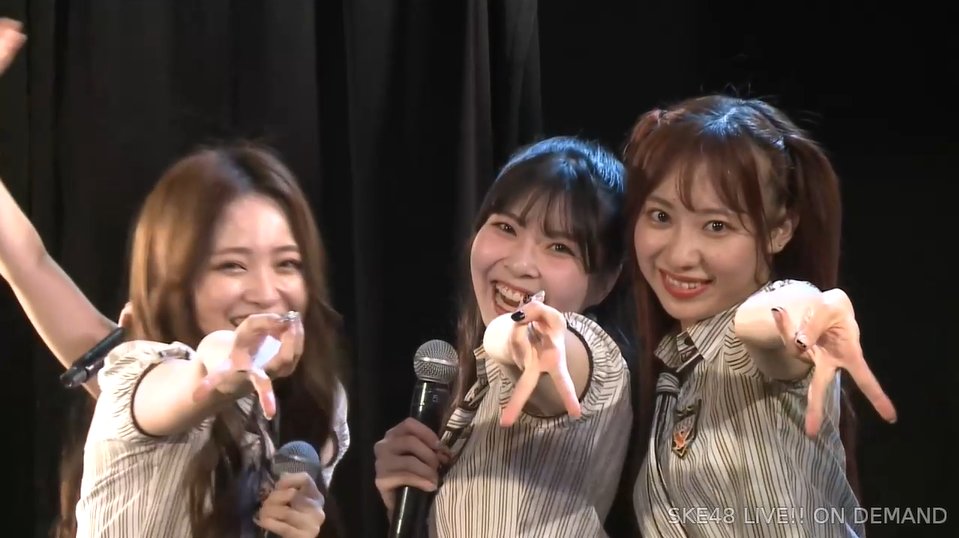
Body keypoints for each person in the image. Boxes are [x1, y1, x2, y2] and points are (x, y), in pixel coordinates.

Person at [0, 19, 348, 537]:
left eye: (287, 263)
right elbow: (26, 261)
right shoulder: (134, 372)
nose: (266, 292)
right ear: (177, 279)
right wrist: (223, 368)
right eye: (232, 265)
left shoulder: (317, 406)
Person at [622, 94, 897, 537]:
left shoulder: (759, 343)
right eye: (660, 216)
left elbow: (772, 320)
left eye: (717, 226)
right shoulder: (677, 368)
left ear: (779, 230)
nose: (680, 254)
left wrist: (806, 313)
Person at [374, 136, 636, 535]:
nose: (520, 263)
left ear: (605, 281)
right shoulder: (479, 387)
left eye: (559, 247)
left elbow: (549, 352)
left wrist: (513, 338)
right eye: (506, 227)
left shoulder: (587, 354)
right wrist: (413, 503)